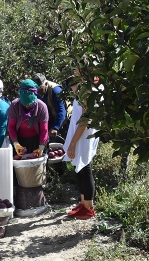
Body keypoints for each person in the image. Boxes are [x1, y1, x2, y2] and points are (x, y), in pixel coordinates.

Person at [63, 74, 99, 220]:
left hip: (83, 136)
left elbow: (85, 121)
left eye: (72, 86)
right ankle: (83, 203)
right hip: (79, 135)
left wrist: (72, 143)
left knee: (85, 168)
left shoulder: (87, 93)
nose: (72, 90)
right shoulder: (82, 91)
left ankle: (89, 208)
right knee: (80, 167)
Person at [7, 79, 49, 157]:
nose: (27, 106)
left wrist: (41, 147)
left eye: (30, 103)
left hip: (37, 139)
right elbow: (11, 126)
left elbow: (44, 130)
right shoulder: (15, 105)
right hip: (19, 139)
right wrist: (16, 144)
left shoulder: (42, 107)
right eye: (24, 104)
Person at [32, 73, 67, 138]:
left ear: (46, 84)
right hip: (50, 119)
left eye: (39, 89)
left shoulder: (56, 91)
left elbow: (62, 112)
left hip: (64, 122)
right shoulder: (36, 92)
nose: (37, 92)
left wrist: (55, 127)